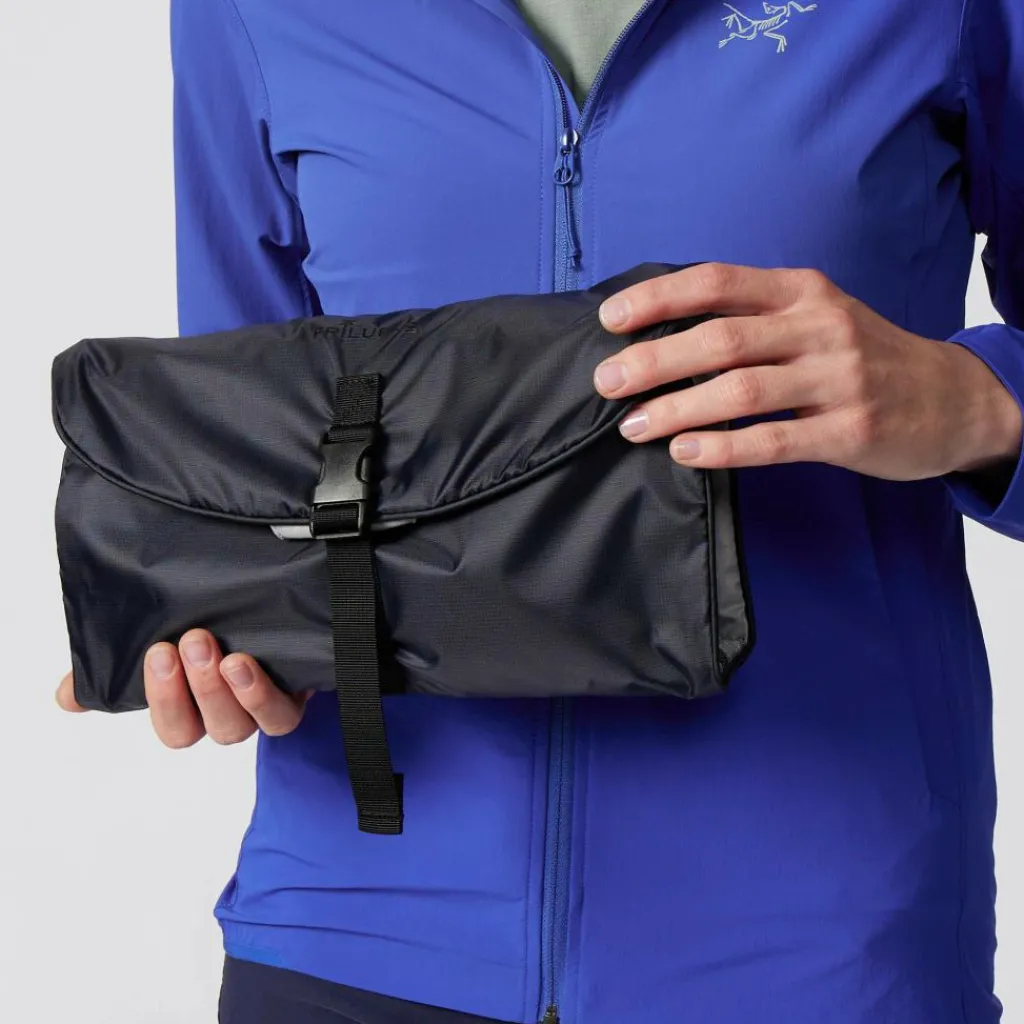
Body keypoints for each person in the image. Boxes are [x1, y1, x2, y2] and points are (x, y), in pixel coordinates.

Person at [56, 0, 1024, 1021]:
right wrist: (233, 648)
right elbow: (241, 444)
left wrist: (981, 405)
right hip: (353, 932)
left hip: (816, 940)